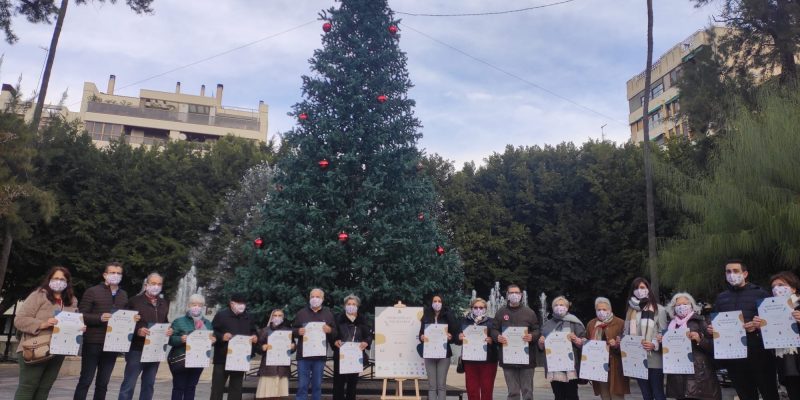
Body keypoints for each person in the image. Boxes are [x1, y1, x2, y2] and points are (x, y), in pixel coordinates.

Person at [707, 259, 778, 400]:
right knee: (745, 394)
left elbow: (773, 322)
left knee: (769, 392)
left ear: (745, 274)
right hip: (734, 356)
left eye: (735, 271)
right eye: (728, 271)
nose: (732, 274)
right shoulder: (721, 298)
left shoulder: (760, 294)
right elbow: (716, 322)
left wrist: (758, 326)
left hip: (759, 353)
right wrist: (712, 329)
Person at [14, 266, 82, 400]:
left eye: (62, 279)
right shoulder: (38, 295)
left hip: (58, 350)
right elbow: (19, 320)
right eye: (55, 278)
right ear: (49, 280)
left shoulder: (72, 300)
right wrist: (42, 324)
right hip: (35, 348)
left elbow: (73, 322)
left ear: (67, 282)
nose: (59, 281)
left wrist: (79, 327)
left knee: (45, 388)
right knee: (28, 386)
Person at [74, 261, 132, 400]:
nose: (115, 275)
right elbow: (81, 316)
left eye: (119, 273)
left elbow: (125, 316)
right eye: (112, 272)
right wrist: (99, 318)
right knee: (85, 380)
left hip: (112, 345)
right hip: (93, 342)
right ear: (105, 275)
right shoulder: (93, 291)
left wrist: (132, 318)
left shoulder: (123, 294)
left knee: (103, 383)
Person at [118, 272, 172, 400]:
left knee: (149, 385)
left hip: (154, 350)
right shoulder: (134, 301)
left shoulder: (164, 303)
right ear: (146, 284)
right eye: (153, 283)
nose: (156, 286)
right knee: (129, 385)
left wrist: (169, 330)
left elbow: (164, 321)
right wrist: (138, 330)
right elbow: (124, 323)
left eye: (159, 284)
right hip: (136, 349)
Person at [661, 292, 721, 400]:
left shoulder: (701, 322)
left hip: (698, 375)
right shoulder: (670, 325)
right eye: (678, 305)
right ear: (673, 308)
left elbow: (714, 347)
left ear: (691, 305)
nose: (681, 307)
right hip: (677, 375)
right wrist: (662, 341)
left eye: (685, 304)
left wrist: (700, 339)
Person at [492, 284, 540, 400]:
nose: (514, 295)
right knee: (513, 392)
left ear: (521, 295)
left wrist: (532, 336)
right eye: (511, 293)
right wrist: (497, 337)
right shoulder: (501, 312)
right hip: (508, 358)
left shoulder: (529, 312)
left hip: (527, 358)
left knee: (527, 391)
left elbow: (537, 329)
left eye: (517, 293)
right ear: (507, 295)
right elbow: (494, 329)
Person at [623, 278, 668, 400]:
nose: (639, 290)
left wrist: (654, 344)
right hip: (636, 358)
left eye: (642, 287)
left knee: (658, 393)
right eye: (636, 288)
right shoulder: (630, 311)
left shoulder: (660, 309)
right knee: (646, 395)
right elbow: (626, 333)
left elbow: (663, 333)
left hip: (654, 358)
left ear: (648, 289)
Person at [210, 293, 258, 400]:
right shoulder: (221, 315)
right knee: (217, 388)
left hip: (240, 358)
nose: (242, 306)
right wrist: (222, 336)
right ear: (232, 303)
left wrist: (255, 337)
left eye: (243, 303)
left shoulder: (248, 317)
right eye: (239, 303)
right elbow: (212, 332)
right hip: (222, 358)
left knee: (236, 388)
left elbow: (253, 331)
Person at [760, 271, 800, 400]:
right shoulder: (769, 310)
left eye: (781, 284)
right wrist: (761, 327)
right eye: (773, 287)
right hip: (787, 368)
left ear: (793, 288)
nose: (776, 289)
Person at [168, 294, 216, 400]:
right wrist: (181, 339)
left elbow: (210, 339)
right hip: (181, 359)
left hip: (198, 361)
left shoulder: (207, 323)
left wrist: (212, 341)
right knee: (179, 387)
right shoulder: (179, 321)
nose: (197, 307)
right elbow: (170, 340)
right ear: (189, 305)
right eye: (194, 304)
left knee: (191, 387)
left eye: (200, 305)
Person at [537, 296, 585, 400]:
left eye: (562, 305)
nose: (559, 307)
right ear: (552, 307)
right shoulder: (547, 325)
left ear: (567, 307)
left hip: (570, 366)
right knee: (558, 395)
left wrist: (576, 339)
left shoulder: (575, 322)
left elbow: (583, 343)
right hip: (554, 366)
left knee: (572, 395)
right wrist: (540, 342)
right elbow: (542, 347)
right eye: (556, 305)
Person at [293, 288, 336, 400]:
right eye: (312, 297)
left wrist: (330, 330)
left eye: (317, 297)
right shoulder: (301, 313)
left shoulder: (328, 314)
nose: (315, 299)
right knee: (302, 385)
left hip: (319, 356)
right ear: (309, 298)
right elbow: (292, 330)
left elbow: (335, 332)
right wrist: (298, 331)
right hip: (303, 356)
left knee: (317, 385)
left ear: (322, 299)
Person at [585, 297, 629, 400]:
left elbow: (628, 347)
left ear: (610, 310)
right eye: (599, 309)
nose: (601, 312)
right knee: (604, 396)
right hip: (598, 366)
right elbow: (587, 342)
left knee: (616, 396)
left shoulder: (620, 323)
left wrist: (617, 345)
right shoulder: (591, 324)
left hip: (616, 366)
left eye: (604, 309)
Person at [332, 294, 372, 400]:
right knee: (338, 384)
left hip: (356, 356)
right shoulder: (337, 319)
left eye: (354, 304)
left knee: (352, 384)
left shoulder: (362, 319)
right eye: (349, 304)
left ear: (357, 306)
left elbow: (368, 335)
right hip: (341, 356)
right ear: (345, 306)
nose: (351, 306)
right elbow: (333, 334)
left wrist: (366, 342)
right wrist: (335, 341)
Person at [419, 293, 458, 400]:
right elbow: (420, 334)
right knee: (432, 386)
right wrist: (422, 337)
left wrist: (450, 337)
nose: (437, 303)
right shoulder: (426, 315)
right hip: (429, 353)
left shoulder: (448, 315)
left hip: (444, 354)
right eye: (435, 301)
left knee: (441, 385)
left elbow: (455, 334)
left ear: (442, 302)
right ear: (431, 303)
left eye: (439, 301)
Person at [457, 297, 497, 400]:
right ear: (471, 308)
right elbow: (457, 339)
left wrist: (492, 341)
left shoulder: (492, 322)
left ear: (485, 309)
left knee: (487, 390)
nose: (478, 309)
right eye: (476, 307)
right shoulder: (464, 321)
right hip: (470, 360)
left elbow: (499, 340)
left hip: (488, 360)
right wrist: (459, 337)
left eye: (481, 307)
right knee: (472, 390)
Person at [256, 309, 295, 400]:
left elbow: (292, 347)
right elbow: (258, 347)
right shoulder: (265, 331)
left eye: (280, 315)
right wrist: (262, 347)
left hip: (282, 367)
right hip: (268, 368)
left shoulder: (287, 331)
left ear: (283, 318)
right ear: (271, 317)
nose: (277, 317)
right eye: (275, 315)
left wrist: (293, 347)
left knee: (279, 394)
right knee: (266, 394)